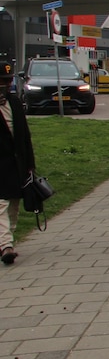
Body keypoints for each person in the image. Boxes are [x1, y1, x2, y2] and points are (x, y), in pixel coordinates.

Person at [0, 60, 35, 265]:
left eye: (8, 81)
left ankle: (6, 241)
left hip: (16, 164)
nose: (5, 85)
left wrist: (30, 163)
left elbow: (25, 136)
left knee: (13, 205)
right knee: (1, 205)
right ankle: (6, 245)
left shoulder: (14, 102)